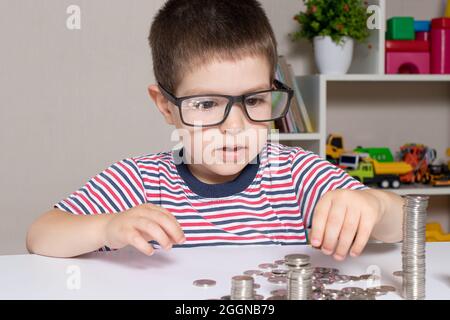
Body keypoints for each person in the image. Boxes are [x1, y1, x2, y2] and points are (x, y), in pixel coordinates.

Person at [26, 0, 404, 260]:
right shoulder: (139, 181)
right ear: (165, 106)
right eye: (207, 105)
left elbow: (402, 224)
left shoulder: (296, 173)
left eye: (254, 101)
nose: (235, 127)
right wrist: (107, 228)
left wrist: (373, 204)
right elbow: (40, 235)